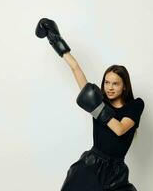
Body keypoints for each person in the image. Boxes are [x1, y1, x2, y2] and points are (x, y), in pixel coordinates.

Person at [35, 18, 145, 191]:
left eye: (115, 83)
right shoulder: (99, 99)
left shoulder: (135, 105)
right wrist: (55, 40)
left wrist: (95, 105)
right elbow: (76, 69)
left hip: (116, 174)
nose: (109, 87)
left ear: (124, 86)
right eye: (106, 82)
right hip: (90, 167)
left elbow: (120, 129)